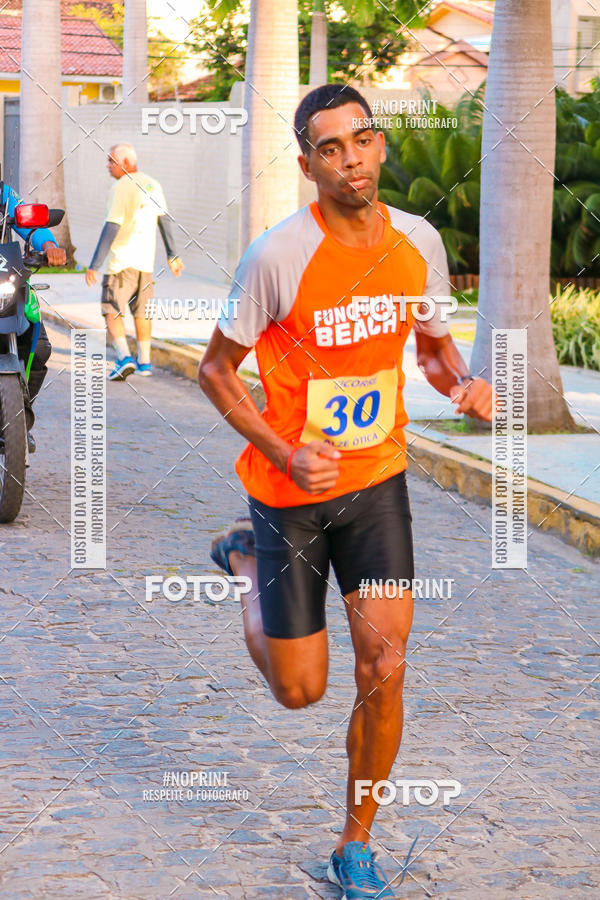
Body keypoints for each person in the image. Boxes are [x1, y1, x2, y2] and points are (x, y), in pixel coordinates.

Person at [199, 85, 494, 899]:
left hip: (375, 484)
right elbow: (216, 371)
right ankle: (244, 560)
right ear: (308, 164)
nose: (350, 157)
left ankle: (354, 843)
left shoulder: (417, 243)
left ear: (382, 145)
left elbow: (432, 349)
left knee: (385, 666)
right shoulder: (278, 256)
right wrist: (284, 452)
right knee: (301, 691)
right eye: (330, 148)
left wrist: (462, 381)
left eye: (361, 139)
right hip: (290, 491)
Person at [85, 143, 184, 381]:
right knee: (142, 313)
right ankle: (145, 362)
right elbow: (165, 221)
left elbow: (112, 225)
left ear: (126, 163)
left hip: (121, 263)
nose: (108, 166)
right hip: (145, 264)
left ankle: (123, 358)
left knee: (112, 311)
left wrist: (94, 265)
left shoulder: (121, 187)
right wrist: (173, 255)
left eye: (111, 161)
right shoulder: (153, 184)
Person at [0, 182, 66, 452]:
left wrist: (49, 245)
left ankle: (18, 420)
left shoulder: (1, 192)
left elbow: (28, 221)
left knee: (38, 348)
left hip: (4, 275)